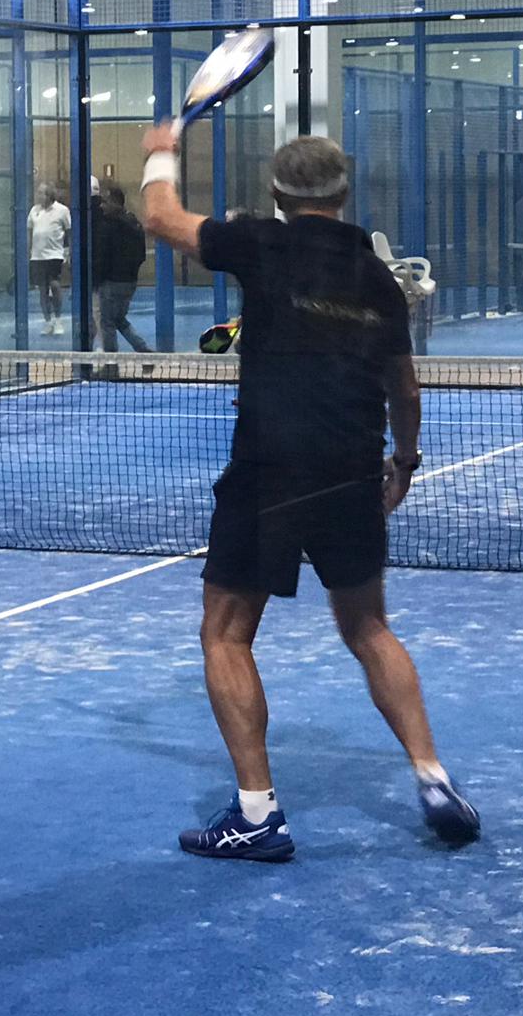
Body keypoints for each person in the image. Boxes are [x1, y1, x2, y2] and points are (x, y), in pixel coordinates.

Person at [139, 125, 480, 861]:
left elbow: (160, 217)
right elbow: (403, 387)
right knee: (369, 628)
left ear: (277, 193)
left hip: (268, 471)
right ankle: (432, 777)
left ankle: (257, 815)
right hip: (352, 468)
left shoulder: (261, 243)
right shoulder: (378, 279)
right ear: (344, 191)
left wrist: (161, 150)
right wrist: (405, 460)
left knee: (226, 635)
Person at [91, 184, 154, 360]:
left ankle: (111, 364)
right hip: (130, 282)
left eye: (105, 202)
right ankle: (143, 350)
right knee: (119, 319)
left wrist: (97, 279)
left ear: (115, 202)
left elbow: (102, 256)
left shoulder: (108, 226)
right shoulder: (134, 223)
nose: (101, 206)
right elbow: (141, 255)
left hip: (112, 283)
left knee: (107, 322)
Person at [27, 183, 71, 337]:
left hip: (54, 254)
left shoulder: (62, 210)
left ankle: (58, 320)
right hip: (37, 256)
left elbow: (69, 231)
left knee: (55, 284)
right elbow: (30, 231)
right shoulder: (34, 210)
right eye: (38, 192)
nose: (38, 196)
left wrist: (68, 251)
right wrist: (29, 251)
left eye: (41, 193)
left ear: (49, 195)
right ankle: (48, 321)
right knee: (42, 289)